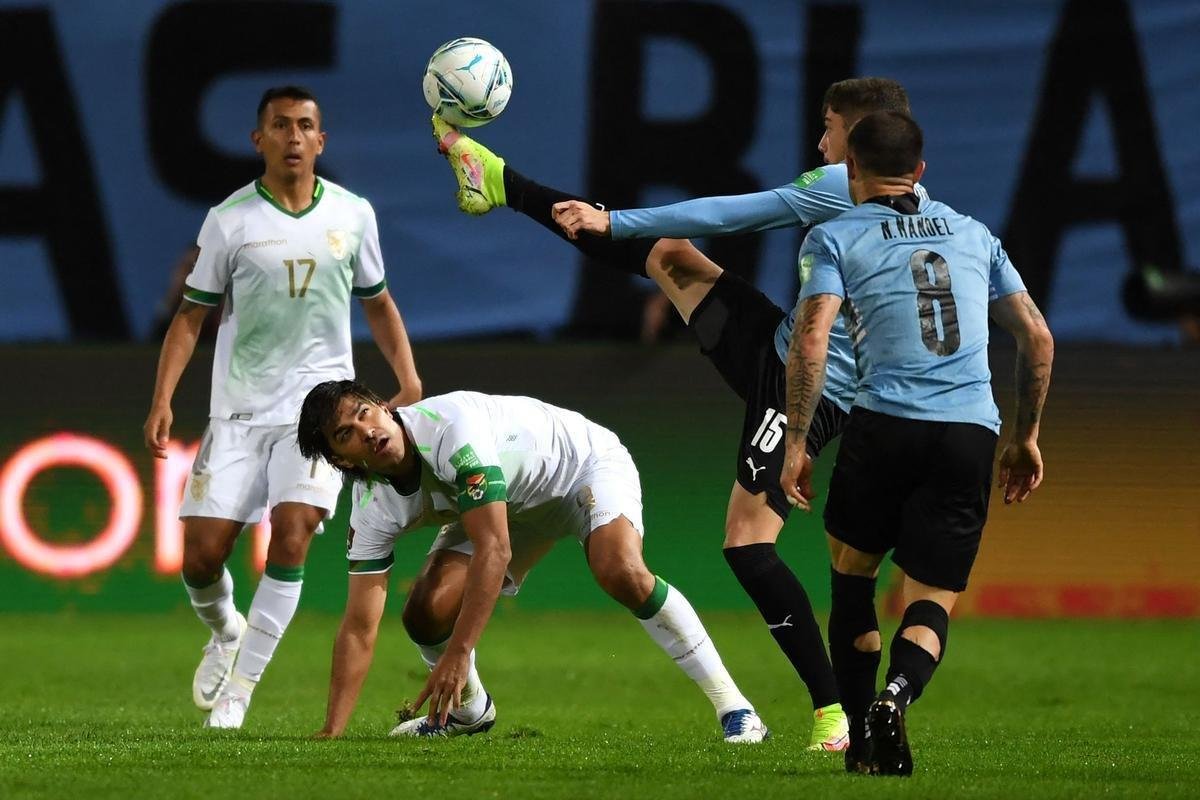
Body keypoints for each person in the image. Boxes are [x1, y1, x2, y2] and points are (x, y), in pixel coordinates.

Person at [424, 78, 915, 751]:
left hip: (808, 388)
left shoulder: (842, 183)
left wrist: (614, 220)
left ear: (857, 136)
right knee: (669, 256)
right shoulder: (923, 208)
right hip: (773, 341)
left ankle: (832, 711)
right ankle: (502, 183)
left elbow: (730, 214)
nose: (820, 138)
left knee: (747, 542)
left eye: (829, 124)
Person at [778, 111, 1054, 775]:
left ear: (852, 171)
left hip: (885, 424)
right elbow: (1038, 338)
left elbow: (813, 337)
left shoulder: (834, 236)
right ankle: (898, 696)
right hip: (968, 433)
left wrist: (796, 439)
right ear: (920, 172)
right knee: (931, 594)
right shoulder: (975, 234)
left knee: (853, 574)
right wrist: (1026, 437)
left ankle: (861, 741)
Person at [143, 85, 422, 730]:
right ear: (258, 140)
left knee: (291, 534)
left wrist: (407, 378)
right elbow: (190, 316)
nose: (293, 137)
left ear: (321, 141)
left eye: (305, 126)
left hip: (321, 413)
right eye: (280, 126)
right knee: (202, 559)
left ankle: (239, 692)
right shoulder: (229, 220)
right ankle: (225, 631)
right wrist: (163, 399)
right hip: (239, 410)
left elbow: (378, 301)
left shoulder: (353, 215)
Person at [296, 379, 769, 744]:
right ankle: (468, 712)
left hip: (582, 466)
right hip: (508, 506)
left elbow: (495, 548)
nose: (367, 431)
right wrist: (332, 732)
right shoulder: (372, 506)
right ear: (342, 461)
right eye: (347, 434)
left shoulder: (450, 431)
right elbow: (360, 623)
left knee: (620, 571)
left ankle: (736, 708)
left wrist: (459, 654)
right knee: (425, 612)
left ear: (383, 404)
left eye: (364, 413)